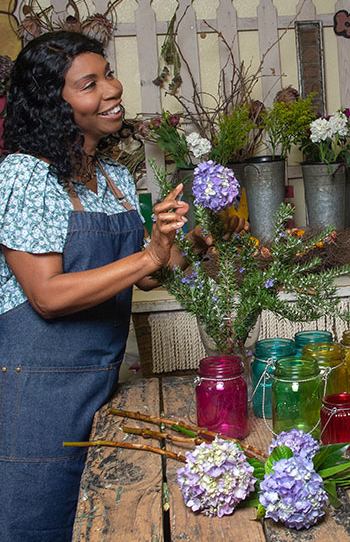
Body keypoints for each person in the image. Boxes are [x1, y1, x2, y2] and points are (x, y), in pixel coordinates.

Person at [0, 31, 245, 542]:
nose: (111, 89)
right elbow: (48, 295)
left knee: (100, 524)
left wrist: (196, 240)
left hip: (101, 385)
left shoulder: (111, 176)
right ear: (54, 103)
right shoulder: (25, 176)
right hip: (38, 390)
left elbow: (147, 271)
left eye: (108, 74)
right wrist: (148, 253)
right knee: (38, 522)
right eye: (89, 84)